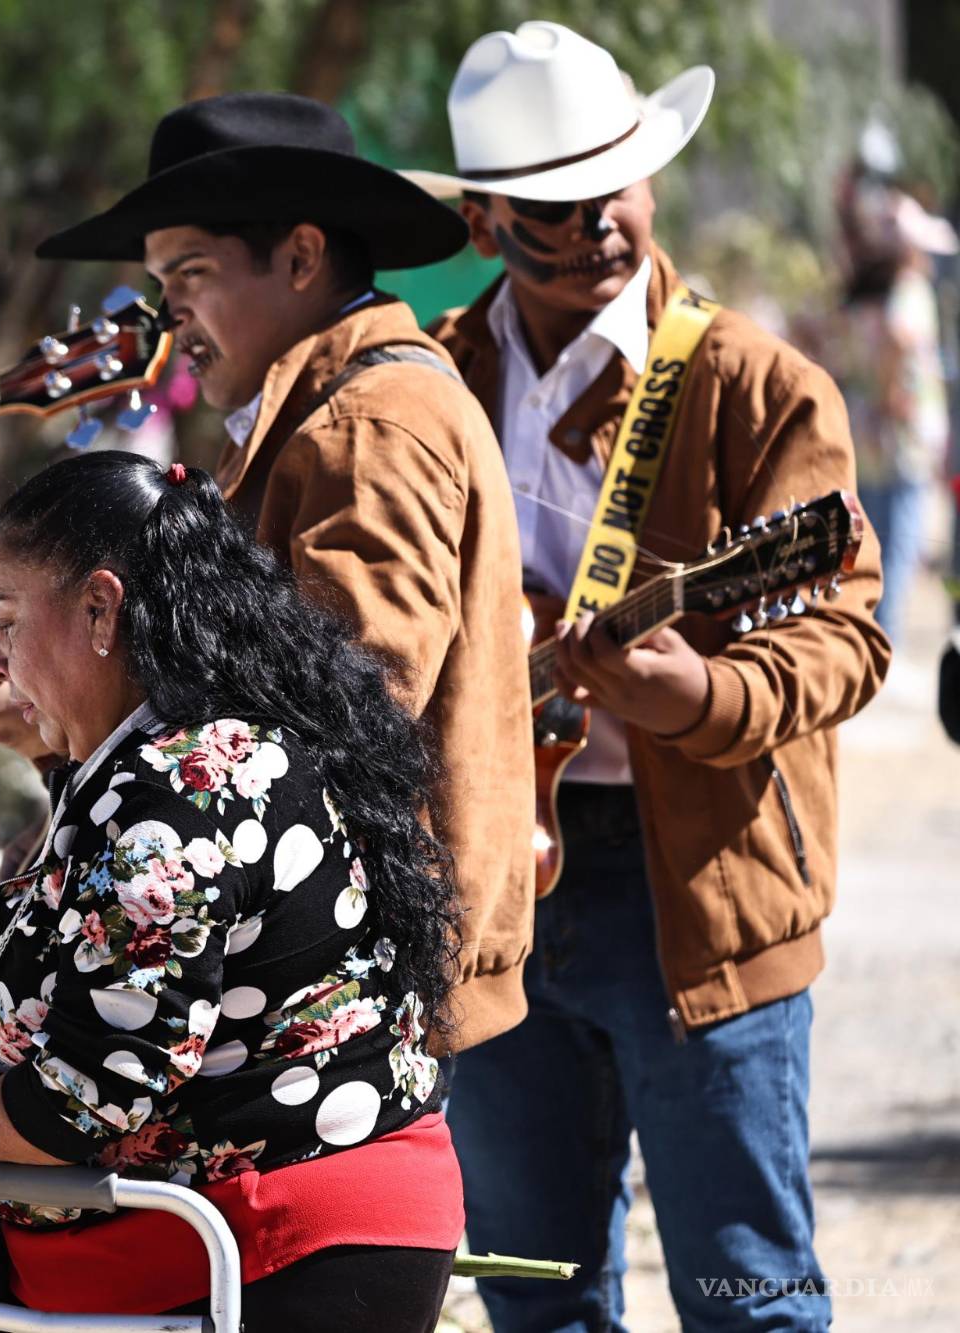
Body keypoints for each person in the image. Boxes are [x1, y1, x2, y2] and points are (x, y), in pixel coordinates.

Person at [409, 21, 891, 1329]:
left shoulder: (756, 388)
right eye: (560, 199)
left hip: (706, 891)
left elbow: (844, 629)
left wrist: (705, 698)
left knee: (749, 1294)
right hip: (493, 883)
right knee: (535, 1298)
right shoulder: (427, 386)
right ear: (489, 219)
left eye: (623, 173)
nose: (604, 215)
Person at [0, 451, 466, 1329]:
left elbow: (96, 1084)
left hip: (280, 1250)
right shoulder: (174, 759)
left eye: (4, 619)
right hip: (257, 1241)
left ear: (99, 608)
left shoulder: (178, 787)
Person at [0, 91, 536, 1055]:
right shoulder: (324, 416)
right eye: (159, 283)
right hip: (331, 966)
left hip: (351, 986)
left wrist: (109, 691)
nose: (168, 315)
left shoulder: (371, 425)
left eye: (190, 274)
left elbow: (347, 698)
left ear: (302, 257)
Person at [829, 182, 956, 641]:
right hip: (900, 434)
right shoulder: (909, 290)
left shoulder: (864, 295)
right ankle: (884, 638)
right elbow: (901, 343)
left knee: (872, 535)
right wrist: (889, 395)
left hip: (870, 432)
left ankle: (864, 629)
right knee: (900, 538)